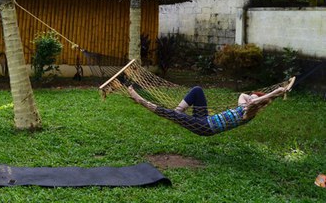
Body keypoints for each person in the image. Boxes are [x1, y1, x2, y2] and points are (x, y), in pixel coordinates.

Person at [125, 77, 295, 136]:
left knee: (167, 113)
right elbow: (243, 95)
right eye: (251, 96)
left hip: (205, 128)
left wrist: (275, 93)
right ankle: (178, 112)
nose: (250, 97)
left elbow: (256, 103)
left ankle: (140, 99)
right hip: (204, 119)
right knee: (197, 91)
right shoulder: (243, 105)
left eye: (253, 97)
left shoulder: (249, 114)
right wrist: (255, 97)